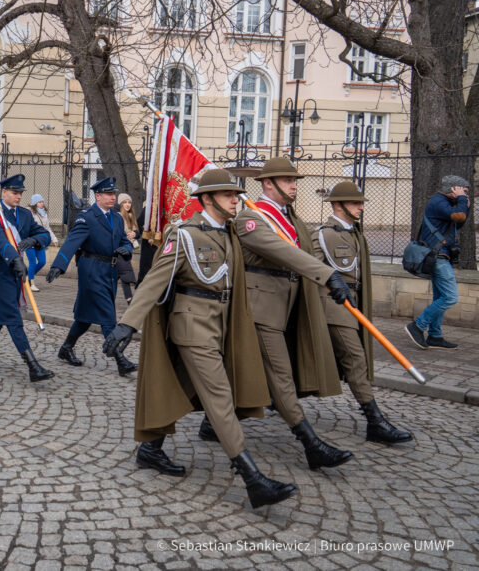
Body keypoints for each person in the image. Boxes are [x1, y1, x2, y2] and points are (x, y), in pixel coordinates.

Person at [103, 169, 296, 508]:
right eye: (228, 195)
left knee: (181, 385)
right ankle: (253, 479)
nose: (236, 199)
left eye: (236, 194)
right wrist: (128, 325)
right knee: (220, 397)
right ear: (207, 199)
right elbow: (154, 281)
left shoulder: (231, 233)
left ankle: (151, 449)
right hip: (192, 327)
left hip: (221, 325)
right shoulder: (185, 235)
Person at [230, 157, 355, 471]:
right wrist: (327, 275)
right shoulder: (252, 219)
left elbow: (303, 252)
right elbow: (285, 252)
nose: (294, 185)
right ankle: (311, 445)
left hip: (288, 307)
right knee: (280, 376)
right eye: (287, 180)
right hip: (261, 310)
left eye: (294, 180)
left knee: (239, 372)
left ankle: (209, 423)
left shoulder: (291, 219)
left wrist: (328, 284)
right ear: (268, 184)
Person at [312, 182, 412, 444]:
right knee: (356, 359)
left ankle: (273, 399)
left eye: (361, 202)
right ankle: (375, 422)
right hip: (334, 306)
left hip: (353, 303)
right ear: (338, 205)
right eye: (355, 202)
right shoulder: (322, 235)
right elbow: (308, 268)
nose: (361, 207)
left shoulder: (355, 234)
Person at [46, 177, 137, 376]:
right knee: (107, 316)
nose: (113, 197)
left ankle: (66, 348)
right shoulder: (86, 216)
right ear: (98, 196)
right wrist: (59, 265)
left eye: (114, 194)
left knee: (85, 317)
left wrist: (126, 249)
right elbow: (71, 242)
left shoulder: (116, 218)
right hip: (91, 270)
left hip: (110, 272)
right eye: (108, 194)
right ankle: (120, 359)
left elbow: (125, 241)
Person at [0, 174, 55, 383]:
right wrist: (14, 257)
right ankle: (32, 366)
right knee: (12, 316)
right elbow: (0, 241)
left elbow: (44, 235)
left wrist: (33, 240)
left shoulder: (26, 215)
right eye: (14, 192)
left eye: (20, 193)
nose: (18, 196)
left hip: (17, 270)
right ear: (4, 193)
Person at [404, 175, 471, 350]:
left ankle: (435, 335)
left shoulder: (445, 204)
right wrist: (462, 200)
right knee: (450, 297)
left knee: (440, 297)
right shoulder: (438, 202)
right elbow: (459, 216)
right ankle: (418, 325)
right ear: (453, 189)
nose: (466, 194)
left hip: (440, 257)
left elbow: (458, 223)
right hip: (438, 257)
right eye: (464, 191)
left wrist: (466, 204)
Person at [26, 194, 58, 292]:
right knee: (32, 262)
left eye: (42, 201)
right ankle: (31, 283)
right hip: (30, 240)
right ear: (35, 203)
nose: (42, 204)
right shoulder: (30, 213)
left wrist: (54, 239)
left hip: (40, 242)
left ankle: (27, 277)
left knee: (42, 262)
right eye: (40, 202)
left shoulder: (44, 214)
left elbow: (47, 228)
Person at [116, 193, 140, 303]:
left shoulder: (131, 216)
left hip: (128, 248)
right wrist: (128, 234)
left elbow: (137, 231)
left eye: (129, 202)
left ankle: (130, 299)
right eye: (125, 202)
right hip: (121, 248)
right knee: (125, 273)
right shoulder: (118, 216)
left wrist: (134, 234)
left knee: (121, 274)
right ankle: (130, 299)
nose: (127, 205)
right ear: (120, 204)